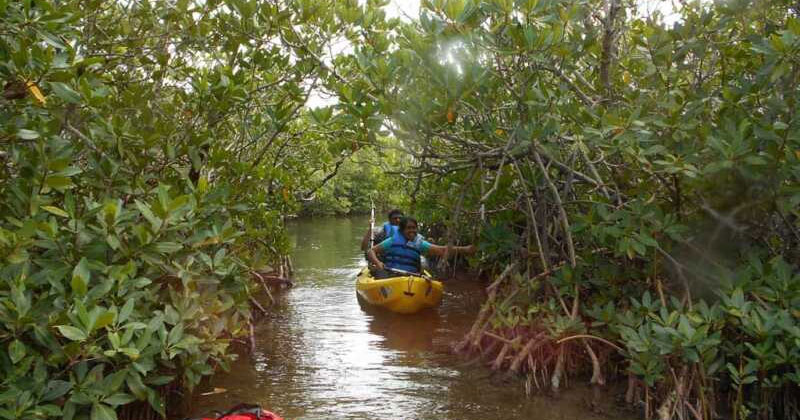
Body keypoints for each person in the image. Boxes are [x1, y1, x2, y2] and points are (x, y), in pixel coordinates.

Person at [366, 216, 477, 278]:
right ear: (402, 230)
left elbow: (441, 250)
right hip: (390, 275)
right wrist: (378, 263)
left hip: (411, 277)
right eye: (409, 228)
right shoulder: (391, 241)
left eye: (414, 228)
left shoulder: (419, 243)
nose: (412, 231)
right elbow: (371, 251)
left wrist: (465, 249)